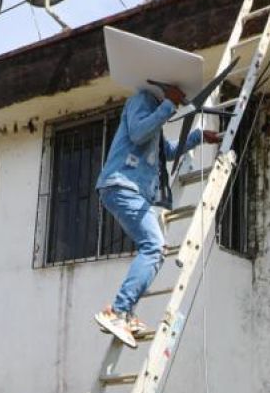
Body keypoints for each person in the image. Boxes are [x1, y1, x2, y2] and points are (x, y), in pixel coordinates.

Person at [94, 84, 220, 348]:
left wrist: (198, 137)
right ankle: (118, 312)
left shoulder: (152, 112)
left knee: (153, 248)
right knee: (154, 246)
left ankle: (125, 313)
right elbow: (139, 134)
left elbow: (167, 151)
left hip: (131, 190)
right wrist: (168, 106)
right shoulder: (141, 99)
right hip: (123, 185)